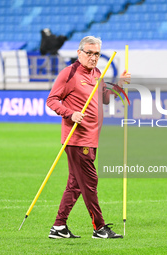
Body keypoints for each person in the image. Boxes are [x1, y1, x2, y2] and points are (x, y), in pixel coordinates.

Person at [46, 36, 131, 239]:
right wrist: (70, 113)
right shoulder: (69, 74)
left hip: (92, 138)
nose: (93, 58)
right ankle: (99, 228)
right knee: (90, 183)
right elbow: (51, 100)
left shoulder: (97, 73)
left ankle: (59, 227)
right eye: (89, 53)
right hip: (77, 139)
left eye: (97, 54)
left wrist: (119, 84)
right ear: (79, 53)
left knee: (75, 185)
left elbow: (105, 99)